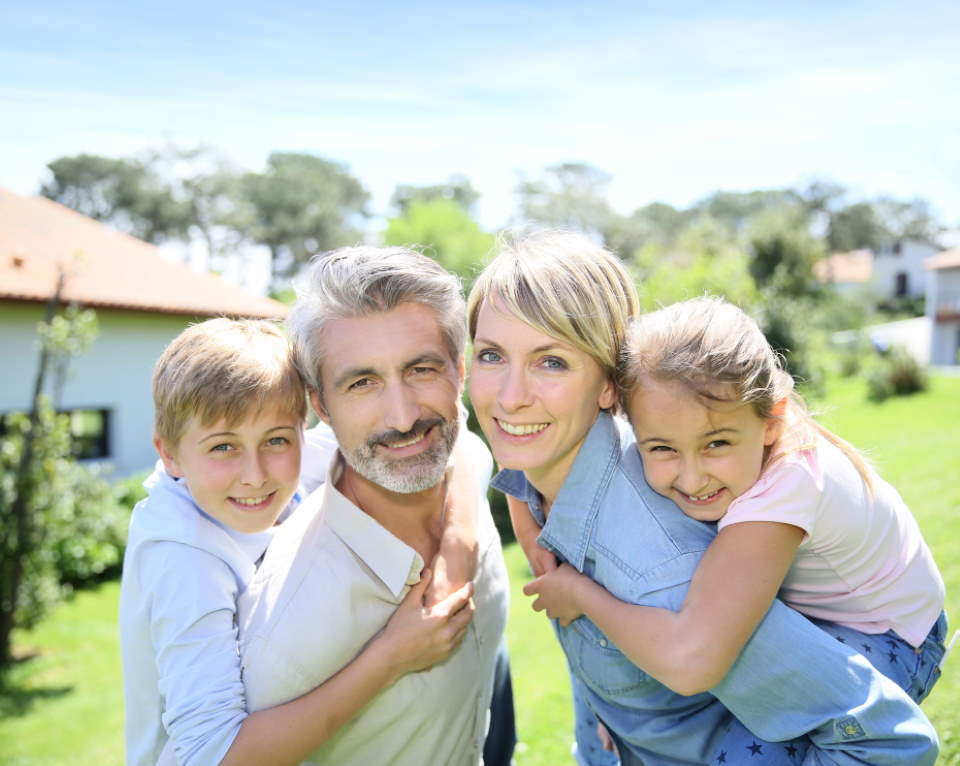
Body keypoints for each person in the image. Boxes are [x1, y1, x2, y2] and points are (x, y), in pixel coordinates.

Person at [467, 229, 939, 765]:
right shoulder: (553, 470)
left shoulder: (662, 567)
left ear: (608, 388)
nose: (508, 396)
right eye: (490, 355)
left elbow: (889, 742)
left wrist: (582, 596)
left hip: (890, 633)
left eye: (551, 361)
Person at [525, 296, 947, 706]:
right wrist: (527, 523)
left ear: (772, 418)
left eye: (716, 443)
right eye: (661, 449)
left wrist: (580, 596)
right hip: (858, 621)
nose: (691, 478)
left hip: (892, 641)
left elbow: (692, 664)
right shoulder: (738, 441)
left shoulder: (785, 491)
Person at [119, 319, 476, 766]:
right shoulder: (183, 558)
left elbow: (443, 431)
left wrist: (459, 547)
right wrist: (392, 656)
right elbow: (214, 756)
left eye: (276, 440)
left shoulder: (298, 457)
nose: (255, 474)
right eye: (223, 448)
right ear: (169, 454)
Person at [237, 246, 510, 765]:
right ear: (320, 406)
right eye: (362, 383)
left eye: (422, 369)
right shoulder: (290, 630)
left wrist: (457, 546)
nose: (404, 416)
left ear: (460, 370)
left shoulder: (466, 460)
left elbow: (468, 450)